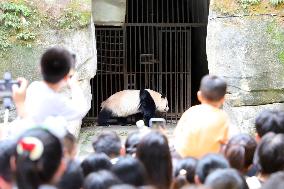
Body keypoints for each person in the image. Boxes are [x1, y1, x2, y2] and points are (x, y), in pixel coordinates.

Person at [24, 47, 88, 124]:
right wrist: (74, 85)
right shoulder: (58, 102)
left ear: (40, 68)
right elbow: (81, 109)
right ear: (67, 76)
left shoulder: (33, 88)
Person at [174, 75, 229, 158]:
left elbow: (177, 134)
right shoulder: (223, 117)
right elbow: (225, 141)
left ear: (199, 96)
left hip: (184, 159)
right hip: (208, 161)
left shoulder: (190, 111)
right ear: (223, 99)